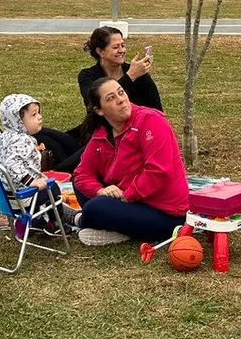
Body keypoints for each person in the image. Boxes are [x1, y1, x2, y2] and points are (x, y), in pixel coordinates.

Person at [72, 77, 189, 246]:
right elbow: (82, 174)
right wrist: (100, 190)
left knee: (95, 207)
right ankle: (114, 225)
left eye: (121, 93)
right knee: (81, 186)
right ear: (99, 110)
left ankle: (81, 220)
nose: (120, 100)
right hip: (127, 199)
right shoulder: (102, 133)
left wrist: (126, 196)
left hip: (165, 212)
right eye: (111, 98)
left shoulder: (150, 121)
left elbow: (158, 172)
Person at [0, 94, 78, 232]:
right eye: (33, 115)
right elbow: (12, 164)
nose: (39, 117)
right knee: (52, 188)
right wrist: (30, 181)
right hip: (20, 196)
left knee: (42, 184)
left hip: (2, 194)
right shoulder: (23, 141)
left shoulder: (3, 136)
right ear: (18, 121)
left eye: (38, 113)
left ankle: (36, 220)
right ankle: (56, 223)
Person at [77, 26, 162, 112]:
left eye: (123, 45)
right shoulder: (88, 76)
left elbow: (157, 110)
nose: (121, 50)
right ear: (100, 51)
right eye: (115, 47)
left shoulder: (139, 74)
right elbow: (94, 104)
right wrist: (130, 76)